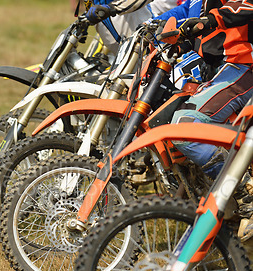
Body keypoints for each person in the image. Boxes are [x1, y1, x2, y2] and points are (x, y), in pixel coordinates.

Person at [88, 0, 253, 240]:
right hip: (220, 67)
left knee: (183, 127)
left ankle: (245, 190)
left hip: (243, 67)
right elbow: (193, 12)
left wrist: (209, 21)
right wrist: (163, 30)